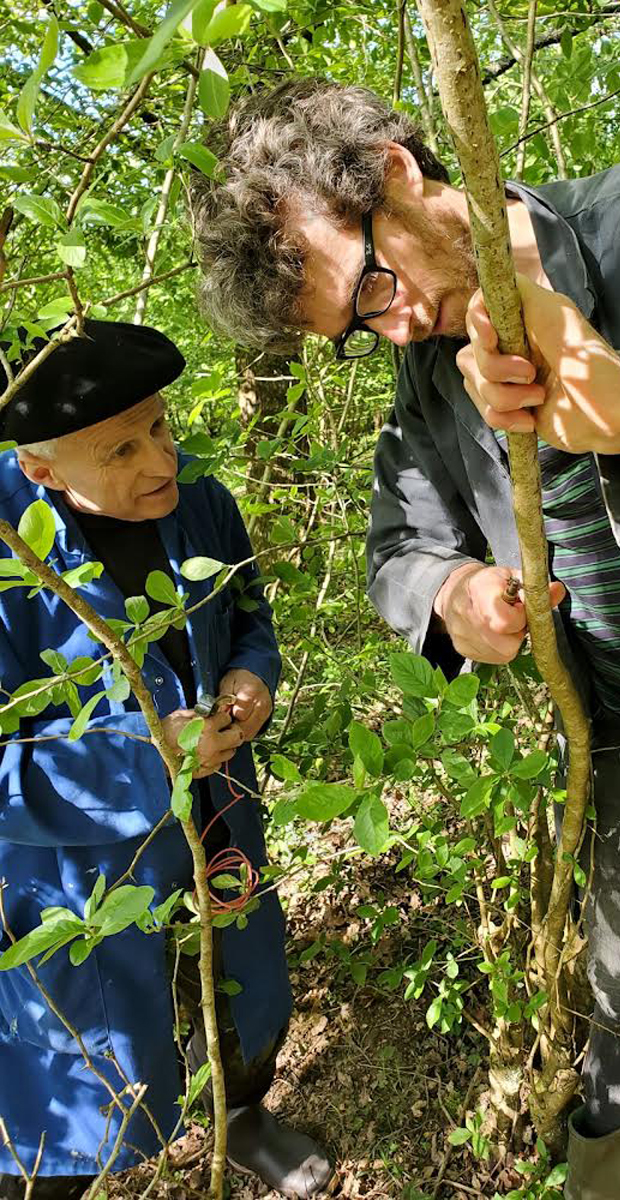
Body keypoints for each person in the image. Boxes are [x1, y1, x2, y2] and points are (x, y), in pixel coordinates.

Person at [191, 77, 620, 1200]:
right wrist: (453, 595)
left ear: (398, 173)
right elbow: (397, 547)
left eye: (373, 284)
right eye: (356, 327)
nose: (396, 324)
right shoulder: (426, 373)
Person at [0, 321, 332, 1199]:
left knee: (240, 976)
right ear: (40, 470)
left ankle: (242, 1114)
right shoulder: (10, 557)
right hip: (79, 872)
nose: (161, 463)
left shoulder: (202, 504)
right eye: (121, 450)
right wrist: (145, 761)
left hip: (220, 811)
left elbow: (248, 610)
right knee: (83, 1075)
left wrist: (251, 674)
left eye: (161, 426)